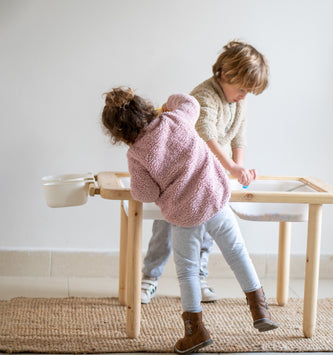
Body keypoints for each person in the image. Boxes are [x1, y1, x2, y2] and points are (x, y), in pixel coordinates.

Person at [101, 88, 278, 354]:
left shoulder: (136, 154)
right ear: (146, 108)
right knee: (238, 253)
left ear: (120, 134)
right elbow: (188, 101)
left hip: (186, 216)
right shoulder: (176, 119)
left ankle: (195, 332)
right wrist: (165, 106)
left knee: (188, 272)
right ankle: (260, 309)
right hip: (216, 201)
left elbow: (145, 193)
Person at [140, 40, 269, 304]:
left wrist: (237, 167)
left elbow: (238, 136)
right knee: (165, 228)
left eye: (249, 91)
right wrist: (231, 166)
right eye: (243, 88)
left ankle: (198, 278)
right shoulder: (204, 97)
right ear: (225, 74)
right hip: (181, 176)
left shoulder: (237, 101)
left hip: (209, 177)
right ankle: (149, 278)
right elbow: (206, 132)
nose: (245, 95)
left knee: (209, 227)